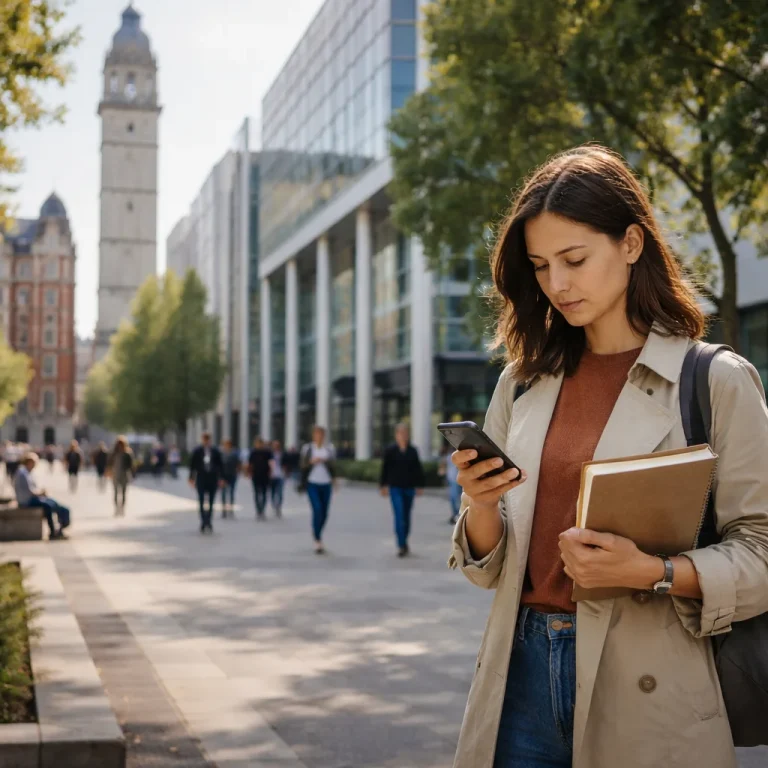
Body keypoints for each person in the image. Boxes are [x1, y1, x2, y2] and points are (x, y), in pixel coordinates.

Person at [448, 146, 768, 768]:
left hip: (651, 686)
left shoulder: (714, 380)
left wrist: (653, 571)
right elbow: (487, 569)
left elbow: (761, 549)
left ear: (631, 243)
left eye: (574, 260)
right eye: (540, 266)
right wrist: (482, 505)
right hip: (518, 679)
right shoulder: (522, 381)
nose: (557, 285)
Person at [379, 424, 425, 557]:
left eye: (405, 433)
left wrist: (420, 485)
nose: (403, 436)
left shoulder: (413, 451)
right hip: (395, 488)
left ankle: (404, 540)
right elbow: (385, 468)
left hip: (409, 488)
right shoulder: (390, 450)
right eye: (400, 433)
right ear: (396, 435)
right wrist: (383, 485)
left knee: (406, 516)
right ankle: (401, 545)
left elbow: (418, 469)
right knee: (399, 515)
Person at [14, 452, 71, 539]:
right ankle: (53, 531)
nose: (35, 465)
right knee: (48, 506)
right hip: (26, 501)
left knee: (53, 503)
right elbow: (30, 491)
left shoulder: (26, 472)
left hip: (30, 498)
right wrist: (41, 493)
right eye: (34, 463)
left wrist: (41, 493)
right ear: (29, 462)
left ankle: (60, 527)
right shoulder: (23, 473)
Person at [300, 426, 336, 554]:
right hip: (312, 483)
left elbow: (333, 465)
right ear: (313, 435)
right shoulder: (308, 449)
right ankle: (317, 538)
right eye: (317, 434)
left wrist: (326, 461)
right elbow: (302, 465)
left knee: (325, 512)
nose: (319, 436)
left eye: (321, 434)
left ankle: (318, 531)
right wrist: (311, 462)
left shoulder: (329, 448)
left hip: (326, 483)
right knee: (317, 509)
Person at [188, 432, 224, 533]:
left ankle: (209, 520)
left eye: (207, 439)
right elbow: (192, 465)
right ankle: (203, 521)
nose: (206, 441)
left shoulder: (215, 451)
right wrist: (191, 478)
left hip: (212, 478)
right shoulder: (197, 451)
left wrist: (221, 478)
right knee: (201, 500)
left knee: (211, 501)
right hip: (201, 478)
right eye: (204, 439)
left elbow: (220, 465)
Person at [108, 436, 135, 516]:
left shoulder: (127, 453)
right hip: (115, 474)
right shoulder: (114, 453)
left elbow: (131, 465)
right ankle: (117, 508)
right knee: (116, 492)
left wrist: (133, 474)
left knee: (123, 492)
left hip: (124, 474)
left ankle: (122, 508)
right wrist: (109, 471)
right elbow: (109, 463)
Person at [247, 438, 272, 520]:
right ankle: (258, 510)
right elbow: (250, 464)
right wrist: (249, 472)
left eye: (260, 443)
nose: (259, 445)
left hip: (265, 476)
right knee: (256, 493)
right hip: (256, 476)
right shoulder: (253, 452)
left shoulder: (267, 452)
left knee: (264, 493)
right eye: (257, 444)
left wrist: (271, 472)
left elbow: (271, 463)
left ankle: (262, 510)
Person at [438, 444, 462, 525]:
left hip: (456, 480)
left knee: (456, 498)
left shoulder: (458, 454)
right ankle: (455, 514)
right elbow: (443, 466)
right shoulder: (448, 455)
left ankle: (457, 515)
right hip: (451, 480)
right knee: (452, 498)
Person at [220, 439, 241, 518]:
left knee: (231, 493)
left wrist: (237, 471)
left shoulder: (234, 454)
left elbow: (238, 463)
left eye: (228, 444)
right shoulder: (221, 453)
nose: (227, 446)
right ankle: (224, 510)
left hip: (232, 475)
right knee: (223, 493)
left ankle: (231, 509)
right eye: (225, 445)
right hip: (224, 476)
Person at [269, 440, 287, 518]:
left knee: (280, 493)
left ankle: (278, 507)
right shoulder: (270, 454)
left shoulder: (282, 454)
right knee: (273, 492)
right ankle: (274, 504)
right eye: (274, 445)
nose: (275, 447)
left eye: (277, 445)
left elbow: (286, 463)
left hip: (280, 475)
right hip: (272, 476)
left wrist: (285, 472)